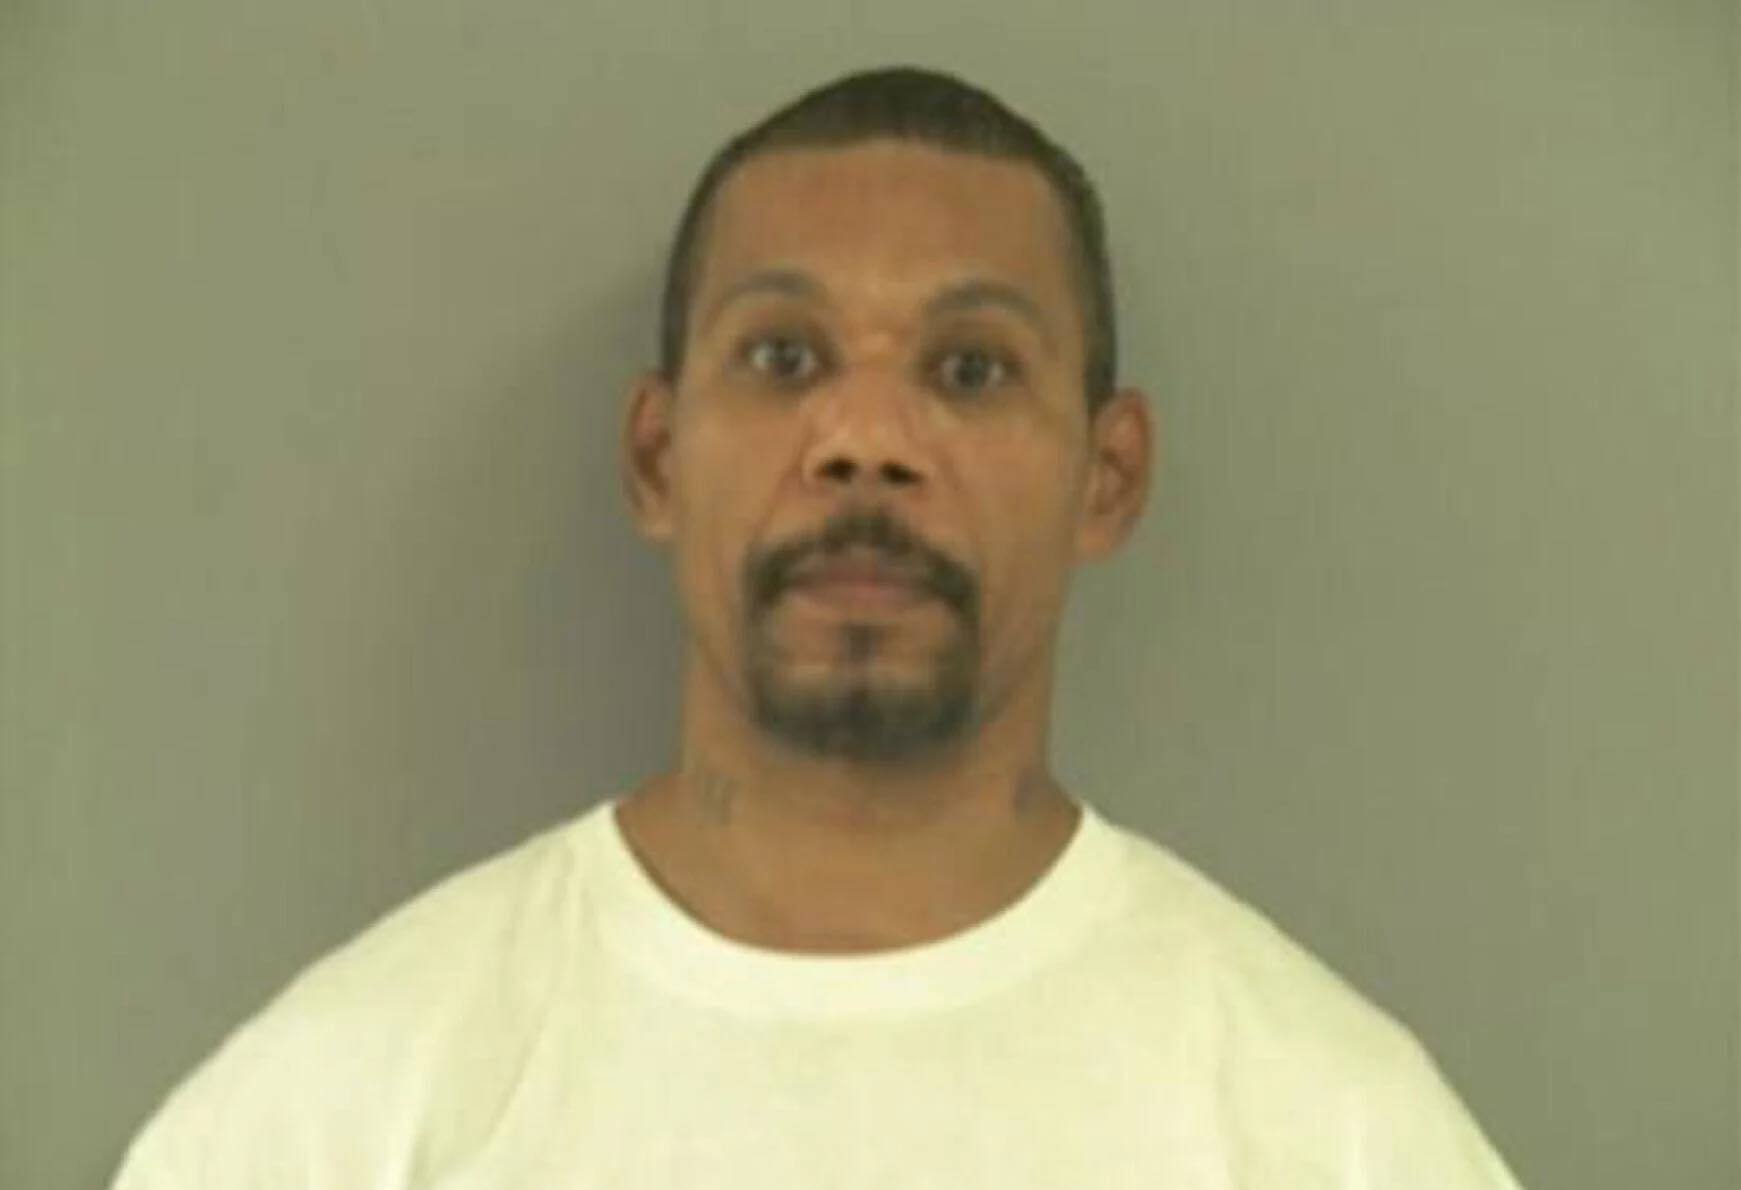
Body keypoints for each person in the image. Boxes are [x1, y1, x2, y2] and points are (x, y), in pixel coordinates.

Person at [112, 65, 1526, 1188]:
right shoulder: (335, 1117)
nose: (864, 438)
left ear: (1106, 478)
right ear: (659, 457)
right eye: (783, 356)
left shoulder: (1333, 1133)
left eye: (969, 369)